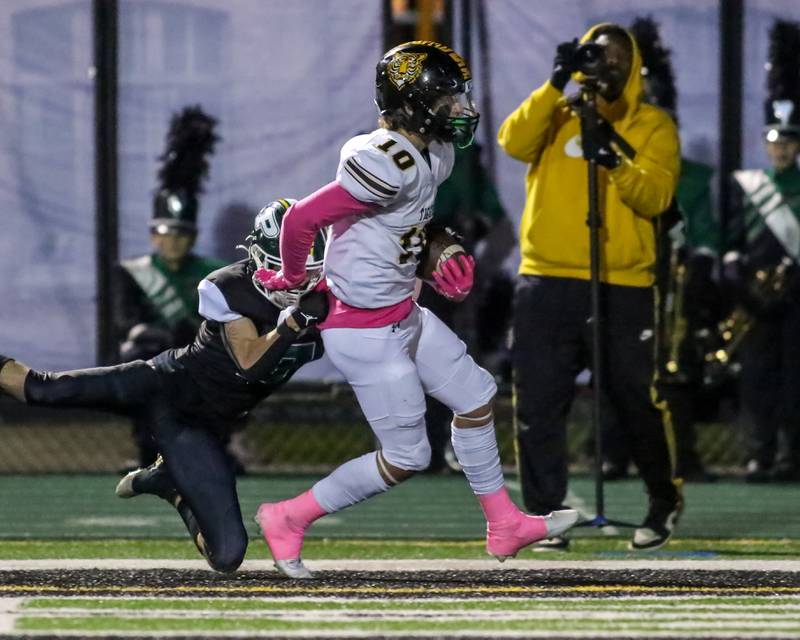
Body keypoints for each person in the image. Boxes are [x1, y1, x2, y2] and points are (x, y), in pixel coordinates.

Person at [253, 40, 578, 579]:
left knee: (476, 398)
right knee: (406, 457)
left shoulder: (434, 152)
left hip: (403, 312)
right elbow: (301, 220)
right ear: (412, 103)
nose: (461, 108)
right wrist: (291, 279)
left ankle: (505, 525)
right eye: (448, 98)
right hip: (362, 330)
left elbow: (403, 227)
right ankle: (288, 517)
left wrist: (437, 247)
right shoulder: (382, 158)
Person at [0, 200, 330, 573]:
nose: (298, 280)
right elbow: (249, 364)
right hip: (164, 384)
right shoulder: (230, 286)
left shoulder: (334, 299)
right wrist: (292, 323)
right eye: (285, 266)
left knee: (227, 555)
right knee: (42, 389)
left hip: (196, 426)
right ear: (256, 254)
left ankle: (167, 482)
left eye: (308, 269)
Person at [498, 23, 683, 551]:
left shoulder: (653, 125)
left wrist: (614, 161)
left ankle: (662, 501)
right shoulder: (555, 112)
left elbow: (656, 198)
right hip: (547, 280)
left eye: (619, 58)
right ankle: (544, 515)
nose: (607, 65)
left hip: (621, 284)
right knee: (538, 401)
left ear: (635, 67)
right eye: (596, 55)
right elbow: (513, 141)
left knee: (633, 398)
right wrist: (555, 83)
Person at [601, 17, 721, 483]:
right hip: (623, 264)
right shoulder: (609, 164)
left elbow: (702, 228)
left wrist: (702, 258)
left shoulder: (691, 175)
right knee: (615, 363)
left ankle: (679, 455)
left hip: (670, 274)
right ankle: (612, 451)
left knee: (673, 363)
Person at [116, 106, 227, 470]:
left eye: (181, 234)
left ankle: (215, 446)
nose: (173, 242)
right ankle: (148, 449)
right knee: (140, 347)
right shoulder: (134, 273)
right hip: (156, 360)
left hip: (200, 362)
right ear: (152, 236)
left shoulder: (213, 272)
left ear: (192, 236)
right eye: (165, 234)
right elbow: (125, 321)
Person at [723, 20, 800, 483]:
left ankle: (793, 455)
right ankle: (760, 452)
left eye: (789, 141)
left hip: (797, 296)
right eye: (775, 141)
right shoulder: (747, 186)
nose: (782, 149)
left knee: (796, 379)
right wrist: (741, 285)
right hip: (756, 295)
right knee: (756, 378)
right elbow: (732, 243)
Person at [421, 142, 516, 473]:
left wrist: (481, 272)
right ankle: (412, 446)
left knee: (450, 359)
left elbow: (503, 230)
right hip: (404, 271)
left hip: (447, 275)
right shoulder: (391, 152)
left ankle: (446, 443)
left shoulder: (464, 160)